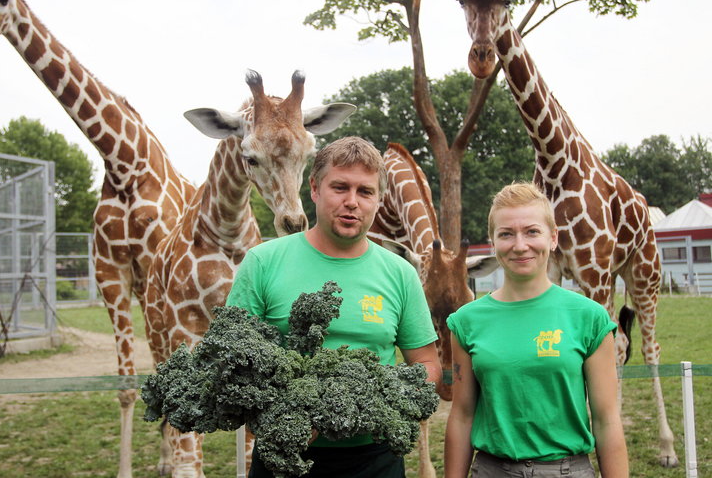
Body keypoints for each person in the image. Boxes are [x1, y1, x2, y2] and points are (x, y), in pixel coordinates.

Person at [226, 136, 442, 478]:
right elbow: (231, 361)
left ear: (379, 200)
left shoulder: (400, 273)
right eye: (339, 187)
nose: (351, 202)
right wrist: (289, 414)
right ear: (314, 188)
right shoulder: (263, 263)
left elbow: (428, 363)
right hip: (285, 455)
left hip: (375, 458)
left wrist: (378, 403)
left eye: (365, 192)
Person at [444, 182, 629, 478]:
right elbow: (462, 416)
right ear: (493, 242)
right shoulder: (466, 321)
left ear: (553, 238)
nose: (519, 245)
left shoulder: (590, 318)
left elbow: (607, 421)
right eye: (506, 234)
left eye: (532, 231)